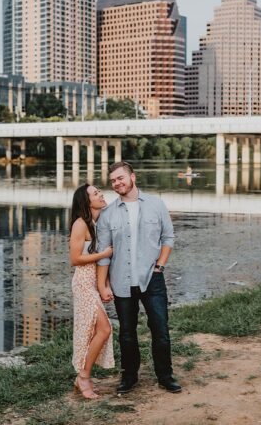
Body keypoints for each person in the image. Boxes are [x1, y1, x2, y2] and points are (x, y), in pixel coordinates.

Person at [96, 161, 181, 394]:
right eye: (113, 180)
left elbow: (168, 238)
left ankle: (165, 376)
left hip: (152, 279)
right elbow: (103, 255)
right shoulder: (107, 215)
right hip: (121, 281)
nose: (117, 183)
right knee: (126, 333)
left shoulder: (156, 204)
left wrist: (160, 266)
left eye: (120, 178)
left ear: (133, 177)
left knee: (160, 330)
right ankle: (129, 377)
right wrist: (102, 285)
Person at [68, 184, 115, 399]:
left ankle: (84, 376)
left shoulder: (96, 223)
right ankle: (83, 377)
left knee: (94, 331)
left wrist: (104, 285)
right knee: (104, 329)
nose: (101, 194)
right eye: (96, 193)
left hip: (93, 284)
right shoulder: (80, 224)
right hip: (83, 284)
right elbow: (75, 259)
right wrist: (103, 253)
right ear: (86, 202)